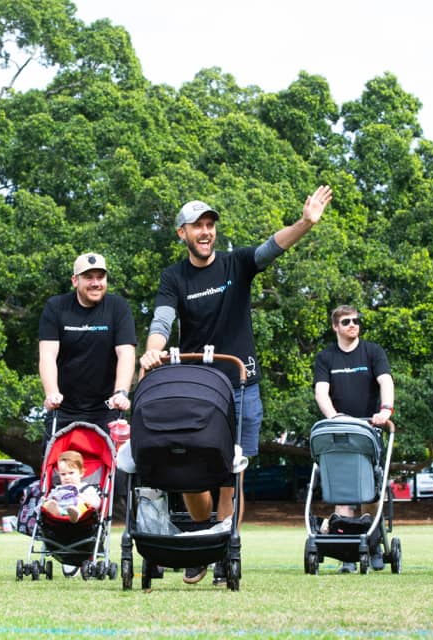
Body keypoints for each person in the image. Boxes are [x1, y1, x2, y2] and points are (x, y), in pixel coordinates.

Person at [140, 186, 333, 585]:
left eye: (210, 225)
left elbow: (271, 247)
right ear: (182, 234)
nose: (206, 231)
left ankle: (222, 549)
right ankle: (205, 541)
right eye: (197, 226)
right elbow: (162, 320)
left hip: (242, 385)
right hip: (197, 389)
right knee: (191, 470)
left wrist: (305, 223)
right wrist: (152, 351)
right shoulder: (173, 277)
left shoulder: (236, 264)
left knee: (232, 473)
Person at [313, 305, 394, 573]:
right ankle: (347, 551)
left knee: (371, 488)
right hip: (340, 432)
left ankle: (372, 544)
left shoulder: (372, 352)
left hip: (370, 430)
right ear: (335, 326)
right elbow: (321, 392)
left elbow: (385, 381)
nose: (352, 325)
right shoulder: (326, 357)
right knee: (344, 490)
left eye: (356, 321)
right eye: (346, 321)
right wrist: (333, 417)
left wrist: (385, 410)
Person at [39, 252, 137, 436]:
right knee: (54, 462)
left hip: (107, 409)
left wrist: (121, 392)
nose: (95, 283)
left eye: (100, 277)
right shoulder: (56, 307)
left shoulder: (119, 307)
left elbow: (126, 353)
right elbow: (47, 356)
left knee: (117, 463)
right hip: (64, 409)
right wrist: (51, 393)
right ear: (75, 281)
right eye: (88, 277)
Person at [41, 451, 102, 522]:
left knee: (82, 506)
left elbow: (97, 504)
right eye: (63, 474)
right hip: (60, 512)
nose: (67, 477)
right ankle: (56, 512)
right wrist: (48, 500)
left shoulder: (86, 488)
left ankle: (75, 514)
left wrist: (83, 497)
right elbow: (49, 500)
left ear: (81, 473)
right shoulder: (57, 489)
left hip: (81, 513)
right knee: (49, 503)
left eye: (71, 473)